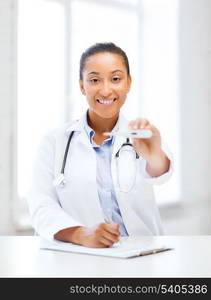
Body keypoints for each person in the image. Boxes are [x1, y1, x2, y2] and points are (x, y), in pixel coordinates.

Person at [28, 42, 173, 248]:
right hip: (82, 255)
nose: (106, 90)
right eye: (95, 80)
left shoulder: (141, 134)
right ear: (82, 86)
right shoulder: (54, 142)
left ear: (128, 83)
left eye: (115, 79)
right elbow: (41, 206)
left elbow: (160, 172)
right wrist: (81, 234)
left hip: (143, 253)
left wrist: (154, 153)